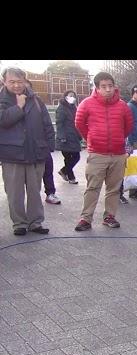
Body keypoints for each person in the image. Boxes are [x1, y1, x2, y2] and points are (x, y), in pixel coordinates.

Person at [74, 72, 133, 231]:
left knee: (113, 188)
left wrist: (118, 139)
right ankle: (86, 218)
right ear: (97, 88)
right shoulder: (86, 104)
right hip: (97, 154)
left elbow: (128, 127)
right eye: (104, 87)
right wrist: (90, 138)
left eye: (110, 86)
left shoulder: (122, 106)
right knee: (92, 187)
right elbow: (79, 123)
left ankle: (109, 216)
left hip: (118, 154)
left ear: (115, 87)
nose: (108, 89)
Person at [0, 67, 54, 235]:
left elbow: (47, 125)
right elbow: (3, 120)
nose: (16, 85)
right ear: (4, 81)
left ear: (25, 81)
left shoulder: (36, 100)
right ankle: (19, 224)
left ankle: (35, 222)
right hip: (11, 155)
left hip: (36, 153)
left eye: (20, 82)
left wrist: (48, 147)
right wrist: (19, 107)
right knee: (15, 193)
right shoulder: (2, 100)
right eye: (12, 82)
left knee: (34, 192)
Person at [24, 78, 61, 205]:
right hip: (21, 148)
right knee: (25, 175)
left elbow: (47, 124)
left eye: (27, 87)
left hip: (41, 146)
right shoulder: (9, 103)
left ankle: (50, 193)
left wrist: (50, 144)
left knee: (48, 169)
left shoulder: (37, 102)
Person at [55, 89, 82, 186]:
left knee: (75, 157)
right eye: (70, 95)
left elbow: (77, 123)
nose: (72, 98)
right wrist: (62, 137)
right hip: (65, 138)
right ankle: (70, 176)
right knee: (69, 158)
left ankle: (64, 172)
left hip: (73, 136)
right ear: (65, 96)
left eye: (74, 96)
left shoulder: (74, 108)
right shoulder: (61, 108)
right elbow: (59, 124)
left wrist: (79, 136)